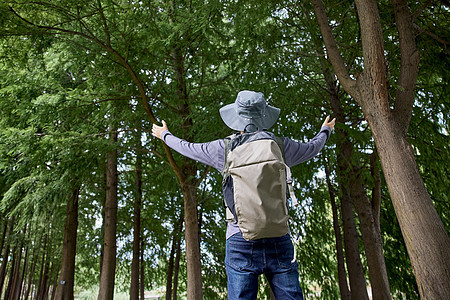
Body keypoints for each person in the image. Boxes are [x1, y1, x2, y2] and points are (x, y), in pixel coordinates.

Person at [152, 90, 335, 300]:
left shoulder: (224, 148)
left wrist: (164, 135)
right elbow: (313, 147)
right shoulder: (282, 146)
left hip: (240, 239)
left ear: (237, 116)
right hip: (278, 235)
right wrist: (325, 130)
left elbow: (189, 148)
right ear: (264, 115)